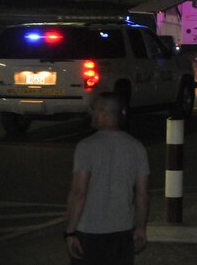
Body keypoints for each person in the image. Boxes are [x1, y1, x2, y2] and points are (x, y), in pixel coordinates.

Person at [65, 92, 149, 265]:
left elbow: (79, 193)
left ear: (103, 112)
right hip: (122, 231)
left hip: (89, 231)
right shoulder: (137, 147)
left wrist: (70, 232)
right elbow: (142, 194)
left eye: (94, 110)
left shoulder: (86, 147)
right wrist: (140, 227)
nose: (91, 114)